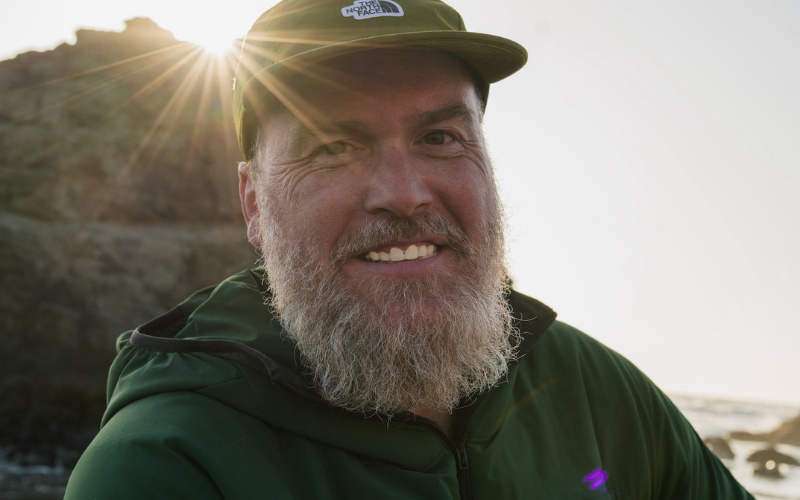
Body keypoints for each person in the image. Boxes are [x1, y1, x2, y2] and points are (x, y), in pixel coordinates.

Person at [66, 0, 755, 498]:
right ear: (254, 203)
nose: (402, 193)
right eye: (332, 147)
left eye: (439, 138)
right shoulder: (166, 467)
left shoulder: (598, 396)